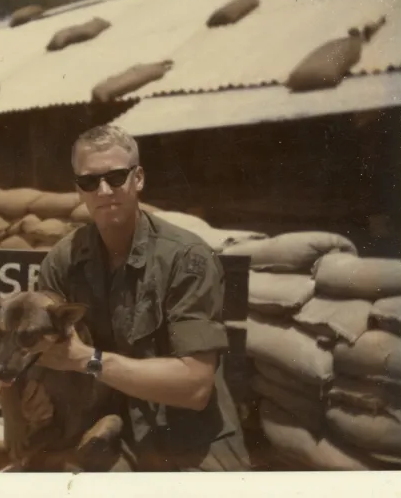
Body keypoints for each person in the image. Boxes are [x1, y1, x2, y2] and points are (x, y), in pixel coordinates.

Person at [35, 124, 251, 472]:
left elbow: (195, 387)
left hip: (191, 442)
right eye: (90, 181)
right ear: (79, 191)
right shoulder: (64, 260)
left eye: (116, 177)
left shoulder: (187, 258)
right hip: (113, 437)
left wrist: (86, 359)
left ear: (138, 179)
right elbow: (41, 350)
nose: (104, 191)